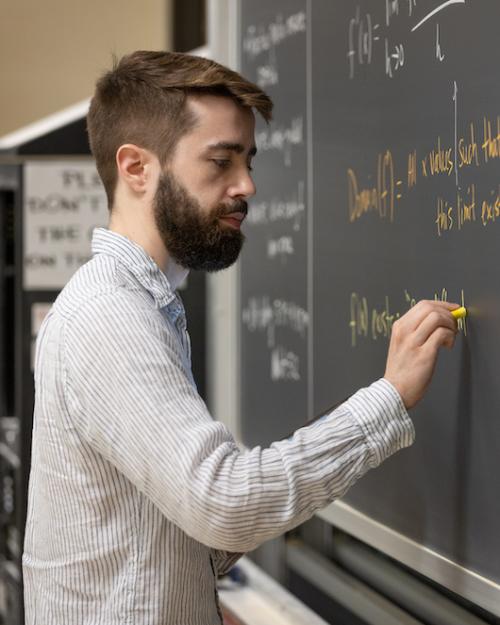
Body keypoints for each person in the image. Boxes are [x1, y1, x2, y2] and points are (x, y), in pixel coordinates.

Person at [22, 51, 459, 625]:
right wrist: (389, 397)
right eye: (221, 161)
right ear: (136, 169)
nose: (247, 185)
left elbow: (168, 519)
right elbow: (220, 502)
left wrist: (196, 591)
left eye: (247, 160)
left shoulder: (139, 306)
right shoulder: (110, 316)